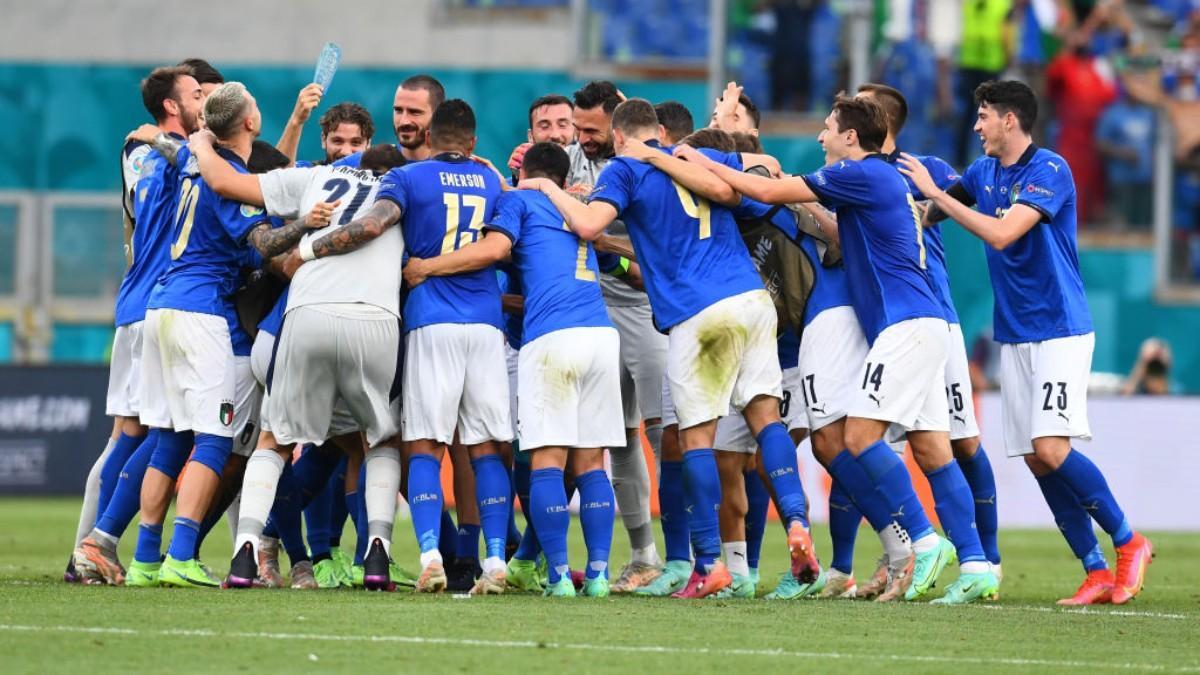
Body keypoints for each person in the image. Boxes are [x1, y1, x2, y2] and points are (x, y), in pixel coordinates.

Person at [674, 95, 998, 604]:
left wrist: (686, 156)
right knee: (932, 448)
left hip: (903, 326)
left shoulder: (860, 174)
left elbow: (765, 183)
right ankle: (977, 564)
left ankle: (923, 540)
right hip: (923, 321)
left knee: (857, 437)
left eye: (828, 128)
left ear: (851, 137)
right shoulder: (876, 181)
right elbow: (834, 232)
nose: (821, 136)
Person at [523, 98, 818, 599]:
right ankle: (796, 520)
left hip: (700, 315)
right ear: (659, 130)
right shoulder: (693, 157)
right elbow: (759, 173)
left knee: (695, 440)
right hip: (751, 299)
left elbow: (589, 225)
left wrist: (548, 187)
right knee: (767, 418)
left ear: (619, 137)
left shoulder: (624, 169)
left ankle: (707, 563)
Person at [900, 79, 1153, 605]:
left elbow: (1001, 233)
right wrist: (916, 207)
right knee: (1038, 459)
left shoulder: (1049, 170)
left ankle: (1130, 541)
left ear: (1009, 120)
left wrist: (940, 192)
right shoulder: (983, 172)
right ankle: (1095, 568)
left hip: (1060, 328)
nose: (976, 126)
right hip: (1014, 333)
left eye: (984, 116)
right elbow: (933, 211)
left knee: (1051, 447)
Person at [309, 100, 513, 593]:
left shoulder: (407, 179)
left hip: (430, 321)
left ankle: (429, 555)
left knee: (424, 445)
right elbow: (501, 246)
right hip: (487, 324)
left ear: (432, 135)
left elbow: (376, 221)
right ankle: (495, 561)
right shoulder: (492, 182)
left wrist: (320, 242)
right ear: (472, 143)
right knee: (485, 448)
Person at [405, 142, 625, 597]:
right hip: (602, 337)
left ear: (524, 173)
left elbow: (495, 247)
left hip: (551, 338)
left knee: (547, 462)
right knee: (591, 463)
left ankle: (561, 577)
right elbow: (615, 258)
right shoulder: (581, 208)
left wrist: (428, 267)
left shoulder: (519, 201)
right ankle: (599, 575)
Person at [130, 82, 323, 587]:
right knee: (215, 438)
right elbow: (264, 240)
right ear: (250, 125)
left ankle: (145, 561)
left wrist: (156, 133)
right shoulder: (229, 179)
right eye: (258, 107)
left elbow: (165, 144)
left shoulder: (194, 160)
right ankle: (179, 556)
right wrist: (307, 222)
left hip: (159, 305)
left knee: (170, 437)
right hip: (199, 312)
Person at [858, 82, 1003, 578]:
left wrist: (934, 199)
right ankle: (902, 555)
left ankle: (986, 558)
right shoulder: (853, 172)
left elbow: (983, 203)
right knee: (902, 442)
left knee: (960, 441)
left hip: (933, 317)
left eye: (862, 103)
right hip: (881, 320)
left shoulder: (928, 169)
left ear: (882, 118)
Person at [71, 65, 206, 585]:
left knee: (131, 434)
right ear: (172, 107)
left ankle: (90, 549)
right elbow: (212, 169)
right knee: (168, 432)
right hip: (160, 308)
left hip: (137, 306)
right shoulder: (179, 157)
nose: (203, 102)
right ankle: (98, 541)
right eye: (196, 95)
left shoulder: (139, 154)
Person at [335, 74, 444, 168]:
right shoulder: (364, 162)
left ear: (438, 115)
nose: (403, 121)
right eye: (398, 110)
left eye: (414, 112)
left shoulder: (453, 172)